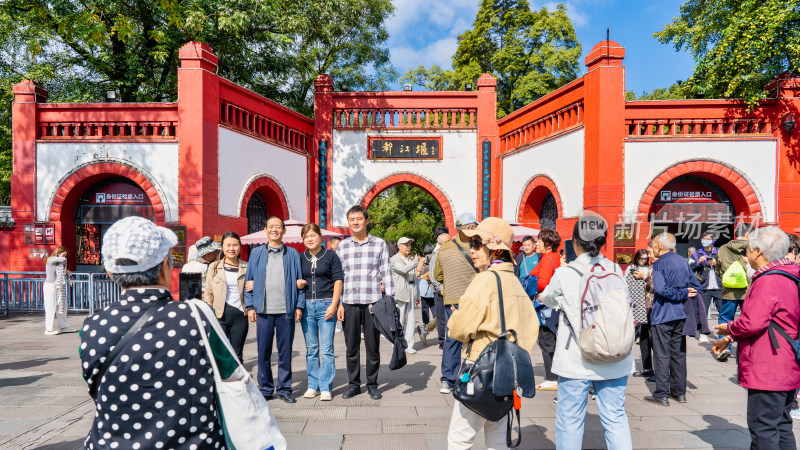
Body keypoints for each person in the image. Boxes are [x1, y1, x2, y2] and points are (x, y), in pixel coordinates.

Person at [80, 216, 234, 448]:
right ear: (165, 265)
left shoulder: (92, 326)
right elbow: (229, 374)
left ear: (110, 273)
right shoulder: (199, 316)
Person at [540, 211, 633, 449]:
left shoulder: (565, 273)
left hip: (576, 359)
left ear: (575, 243)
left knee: (570, 418)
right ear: (603, 243)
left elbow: (548, 298)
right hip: (615, 354)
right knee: (615, 417)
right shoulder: (616, 270)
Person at [446, 217, 539, 449]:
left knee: (460, 438)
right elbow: (530, 329)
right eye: (472, 244)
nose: (472, 250)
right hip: (509, 375)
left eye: (478, 244)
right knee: (498, 439)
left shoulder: (485, 280)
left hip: (480, 371)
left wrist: (458, 317)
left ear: (495, 250)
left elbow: (458, 329)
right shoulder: (515, 282)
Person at [712, 226, 800, 449]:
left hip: (770, 364)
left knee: (764, 429)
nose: (746, 254)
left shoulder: (768, 280)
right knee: (781, 424)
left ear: (759, 252)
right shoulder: (789, 274)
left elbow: (752, 322)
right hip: (787, 361)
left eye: (749, 249)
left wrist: (729, 329)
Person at [244, 216, 306, 404]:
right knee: (263, 352)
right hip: (263, 311)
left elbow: (300, 282)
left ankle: (285, 389)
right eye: (271, 227)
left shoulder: (293, 254)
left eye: (278, 227)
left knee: (285, 352)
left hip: (286, 311)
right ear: (265, 230)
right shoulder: (256, 254)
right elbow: (248, 281)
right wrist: (249, 306)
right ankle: (265, 389)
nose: (274, 230)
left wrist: (299, 305)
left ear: (284, 231)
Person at [336, 205, 395, 400]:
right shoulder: (343, 246)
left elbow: (386, 271)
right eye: (352, 219)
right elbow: (339, 276)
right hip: (350, 303)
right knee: (351, 347)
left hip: (372, 303)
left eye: (359, 219)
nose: (355, 222)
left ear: (366, 221)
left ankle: (372, 384)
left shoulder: (379, 244)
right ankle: (353, 384)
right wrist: (339, 304)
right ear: (348, 222)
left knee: (372, 346)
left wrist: (390, 301)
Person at [644, 232, 701, 407]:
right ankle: (679, 392)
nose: (652, 249)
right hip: (680, 314)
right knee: (678, 353)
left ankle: (662, 394)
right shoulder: (683, 261)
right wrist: (685, 292)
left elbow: (661, 289)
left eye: (654, 245)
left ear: (659, 247)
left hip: (663, 314)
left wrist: (681, 293)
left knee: (661, 354)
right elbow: (697, 285)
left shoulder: (660, 263)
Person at [434, 212, 479, 394]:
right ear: (469, 228)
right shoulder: (476, 247)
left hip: (451, 299)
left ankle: (447, 380)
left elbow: (437, 275)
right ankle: (471, 378)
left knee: (451, 338)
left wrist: (450, 281)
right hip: (472, 298)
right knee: (474, 340)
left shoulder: (444, 248)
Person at [298, 223, 343, 402]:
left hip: (326, 305)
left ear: (320, 236)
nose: (309, 239)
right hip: (307, 306)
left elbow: (338, 280)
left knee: (326, 349)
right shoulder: (300, 257)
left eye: (312, 235)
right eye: (306, 236)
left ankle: (325, 387)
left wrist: (334, 304)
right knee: (311, 349)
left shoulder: (331, 255)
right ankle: (312, 385)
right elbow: (293, 278)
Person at [203, 231, 248, 362]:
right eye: (228, 245)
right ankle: (219, 381)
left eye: (235, 245)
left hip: (240, 314)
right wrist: (209, 312)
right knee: (219, 352)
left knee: (237, 353)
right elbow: (208, 292)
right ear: (222, 247)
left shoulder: (247, 266)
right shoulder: (214, 267)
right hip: (219, 314)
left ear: (240, 246)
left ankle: (239, 381)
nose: (231, 249)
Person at [714, 223, 754, 361]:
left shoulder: (723, 249)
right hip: (748, 291)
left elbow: (718, 270)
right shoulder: (753, 249)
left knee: (726, 318)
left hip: (729, 291)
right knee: (748, 320)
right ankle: (747, 349)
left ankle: (723, 348)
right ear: (748, 235)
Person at [530, 228, 561, 392]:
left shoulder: (548, 258)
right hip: (554, 305)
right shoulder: (554, 257)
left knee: (546, 340)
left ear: (547, 245)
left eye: (539, 241)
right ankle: (554, 376)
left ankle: (551, 378)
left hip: (546, 306)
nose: (537, 244)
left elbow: (542, 283)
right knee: (551, 340)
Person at [690, 233, 722, 343]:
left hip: (719, 286)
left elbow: (727, 265)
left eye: (708, 239)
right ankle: (703, 333)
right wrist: (698, 263)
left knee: (722, 310)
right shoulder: (696, 253)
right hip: (704, 286)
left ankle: (722, 333)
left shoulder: (720, 252)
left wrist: (716, 263)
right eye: (703, 239)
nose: (705, 241)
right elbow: (689, 267)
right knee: (703, 311)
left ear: (713, 240)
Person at [626, 248, 653, 379]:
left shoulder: (649, 269)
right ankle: (630, 364)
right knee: (631, 335)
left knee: (647, 337)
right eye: (641, 258)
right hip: (635, 306)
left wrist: (644, 277)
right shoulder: (631, 269)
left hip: (648, 305)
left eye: (645, 258)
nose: (643, 261)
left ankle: (648, 367)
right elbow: (626, 285)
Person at [391, 237, 420, 353]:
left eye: (409, 244)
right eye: (405, 244)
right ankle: (397, 344)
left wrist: (417, 295)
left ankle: (409, 344)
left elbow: (415, 278)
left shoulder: (410, 259)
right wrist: (415, 262)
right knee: (400, 319)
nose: (408, 247)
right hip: (401, 291)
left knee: (411, 318)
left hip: (412, 289)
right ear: (399, 246)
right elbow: (403, 270)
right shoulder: (394, 259)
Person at [43, 246, 76, 335]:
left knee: (63, 304)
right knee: (51, 306)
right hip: (50, 285)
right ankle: (49, 329)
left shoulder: (60, 263)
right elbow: (62, 260)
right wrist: (64, 262)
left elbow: (61, 270)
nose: (65, 257)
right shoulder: (51, 259)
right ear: (58, 252)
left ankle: (64, 326)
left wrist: (66, 273)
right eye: (63, 254)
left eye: (66, 255)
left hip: (59, 286)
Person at [429, 227, 451, 348]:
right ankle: (442, 341)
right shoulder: (436, 255)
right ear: (440, 243)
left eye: (449, 241)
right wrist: (441, 288)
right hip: (441, 291)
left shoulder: (453, 253)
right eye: (445, 242)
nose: (448, 244)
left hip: (451, 290)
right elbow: (432, 276)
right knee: (441, 318)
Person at [417, 243, 437, 346]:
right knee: (436, 313)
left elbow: (418, 272)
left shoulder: (423, 260)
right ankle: (426, 329)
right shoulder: (435, 258)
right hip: (432, 290)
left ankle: (424, 329)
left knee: (425, 312)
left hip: (424, 290)